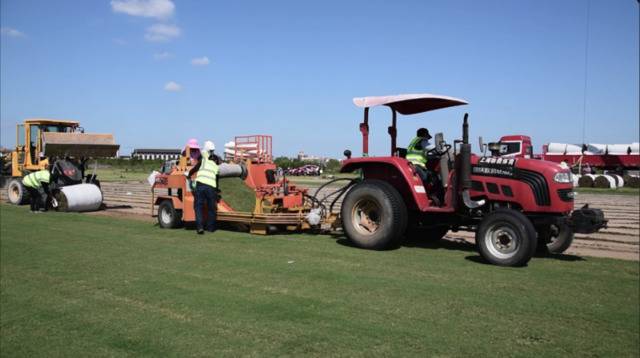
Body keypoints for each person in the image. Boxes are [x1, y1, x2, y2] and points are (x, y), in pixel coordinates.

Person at [186, 140, 220, 234]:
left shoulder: (203, 160)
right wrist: (217, 189)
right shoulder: (216, 162)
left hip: (200, 185)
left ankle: (200, 227)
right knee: (211, 208)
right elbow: (217, 177)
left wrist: (189, 175)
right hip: (211, 187)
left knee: (198, 207)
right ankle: (210, 228)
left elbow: (195, 168)